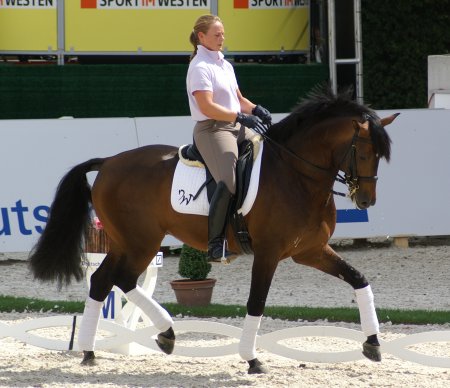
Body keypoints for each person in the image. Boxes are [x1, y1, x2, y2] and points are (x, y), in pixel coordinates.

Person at [186, 14, 272, 262]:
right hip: (213, 130)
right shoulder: (200, 67)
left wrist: (255, 109)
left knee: (271, 154)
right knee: (228, 180)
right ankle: (215, 245)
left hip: (236, 125)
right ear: (201, 37)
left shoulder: (225, 65)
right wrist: (239, 117)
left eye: (223, 33)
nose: (222, 38)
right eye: (217, 34)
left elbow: (239, 100)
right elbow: (208, 106)